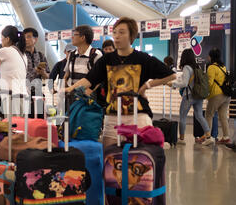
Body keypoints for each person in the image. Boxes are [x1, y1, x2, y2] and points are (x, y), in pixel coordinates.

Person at [65, 17, 176, 149]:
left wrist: (147, 86)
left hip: (138, 115)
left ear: (131, 36)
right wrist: (70, 88)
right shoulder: (106, 60)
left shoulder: (142, 58)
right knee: (110, 160)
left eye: (122, 32)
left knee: (141, 160)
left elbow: (171, 75)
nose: (117, 36)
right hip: (113, 115)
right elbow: (89, 80)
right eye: (115, 32)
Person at [167, 49, 214, 146]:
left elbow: (184, 83)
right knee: (199, 116)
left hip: (189, 96)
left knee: (182, 116)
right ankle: (209, 136)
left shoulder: (187, 68)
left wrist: (173, 84)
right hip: (198, 95)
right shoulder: (197, 67)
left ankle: (182, 138)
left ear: (184, 57)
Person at [0, 25, 28, 116]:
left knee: (12, 127)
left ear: (7, 39)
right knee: (20, 127)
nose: (1, 41)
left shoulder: (6, 51)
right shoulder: (22, 54)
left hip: (11, 96)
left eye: (1, 38)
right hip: (22, 95)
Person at [63, 25, 103, 94]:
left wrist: (89, 92)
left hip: (88, 97)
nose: (72, 37)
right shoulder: (72, 54)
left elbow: (99, 78)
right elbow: (66, 75)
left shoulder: (96, 55)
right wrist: (64, 87)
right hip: (72, 95)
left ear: (83, 37)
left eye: (75, 35)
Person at [205, 48, 231, 145]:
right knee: (223, 116)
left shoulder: (211, 67)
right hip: (226, 95)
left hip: (216, 95)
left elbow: (209, 83)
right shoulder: (223, 67)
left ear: (211, 57)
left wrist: (205, 93)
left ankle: (208, 137)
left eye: (209, 55)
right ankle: (226, 136)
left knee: (209, 115)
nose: (208, 57)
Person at [23, 27, 50, 118]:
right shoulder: (20, 55)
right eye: (24, 37)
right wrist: (35, 71)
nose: (26, 39)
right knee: (26, 122)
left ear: (36, 39)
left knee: (40, 120)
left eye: (28, 37)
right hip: (24, 93)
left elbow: (49, 76)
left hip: (38, 93)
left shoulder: (41, 55)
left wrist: (43, 73)